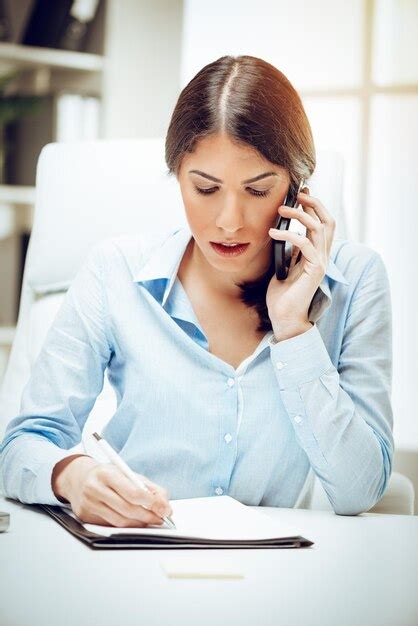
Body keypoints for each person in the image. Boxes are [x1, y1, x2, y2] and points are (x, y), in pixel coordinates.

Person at [0, 55, 394, 527]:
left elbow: (360, 490)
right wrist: (72, 475)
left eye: (258, 190)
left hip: (280, 576)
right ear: (177, 177)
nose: (229, 221)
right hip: (133, 558)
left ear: (296, 192)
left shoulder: (357, 280)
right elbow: (22, 446)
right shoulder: (115, 271)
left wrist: (295, 329)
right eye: (205, 189)